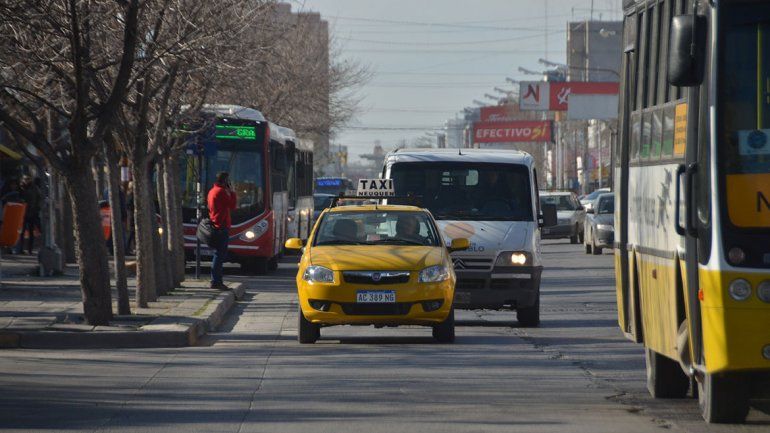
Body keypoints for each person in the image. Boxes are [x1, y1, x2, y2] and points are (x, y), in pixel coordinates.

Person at [207, 172, 237, 290]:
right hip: (221, 226)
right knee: (219, 255)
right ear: (225, 181)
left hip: (216, 224)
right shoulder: (221, 192)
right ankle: (216, 281)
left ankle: (216, 280)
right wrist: (233, 192)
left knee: (218, 254)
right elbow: (233, 205)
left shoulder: (212, 191)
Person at [16, 176, 41, 254]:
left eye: (28, 179)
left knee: (30, 232)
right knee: (21, 231)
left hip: (31, 212)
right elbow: (17, 198)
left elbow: (38, 199)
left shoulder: (34, 188)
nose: (26, 181)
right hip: (21, 213)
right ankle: (20, 249)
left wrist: (36, 209)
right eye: (25, 179)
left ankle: (30, 249)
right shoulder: (20, 188)